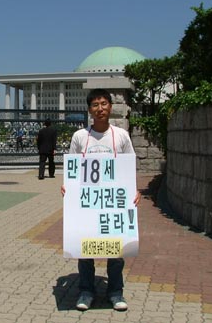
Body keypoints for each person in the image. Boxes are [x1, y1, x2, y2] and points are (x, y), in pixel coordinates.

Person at [61, 88, 141, 311]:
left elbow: (129, 168)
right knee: (85, 248)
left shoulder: (121, 136)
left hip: (113, 202)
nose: (100, 109)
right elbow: (73, 170)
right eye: (95, 105)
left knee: (116, 250)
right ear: (89, 110)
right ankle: (86, 291)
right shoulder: (80, 137)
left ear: (110, 107)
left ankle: (116, 293)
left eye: (104, 104)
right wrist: (68, 188)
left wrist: (135, 192)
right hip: (87, 203)